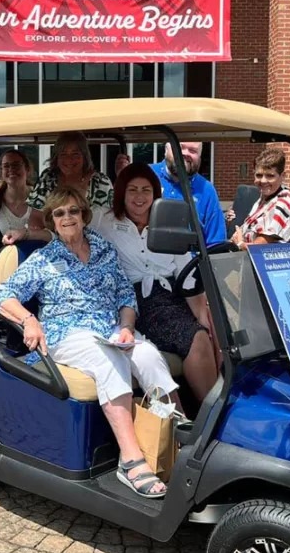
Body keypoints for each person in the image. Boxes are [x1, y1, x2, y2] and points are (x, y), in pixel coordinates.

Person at [0, 187, 179, 499]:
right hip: (67, 335)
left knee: (148, 356)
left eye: (73, 211)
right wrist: (29, 320)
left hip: (110, 330)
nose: (67, 217)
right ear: (52, 221)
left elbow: (125, 295)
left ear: (84, 215)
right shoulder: (45, 259)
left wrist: (127, 327)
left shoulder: (104, 250)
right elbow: (3, 295)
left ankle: (175, 438)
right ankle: (131, 459)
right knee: (109, 359)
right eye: (59, 213)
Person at [94, 164, 219, 401]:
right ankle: (212, 412)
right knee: (197, 337)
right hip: (137, 301)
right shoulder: (105, 222)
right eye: (132, 190)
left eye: (146, 190)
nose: (139, 197)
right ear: (122, 193)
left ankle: (228, 398)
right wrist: (28, 232)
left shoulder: (168, 221)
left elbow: (185, 272)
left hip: (173, 294)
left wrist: (202, 312)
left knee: (217, 325)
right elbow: (69, 229)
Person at [120, 143, 226, 248]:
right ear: (166, 150)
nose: (185, 153)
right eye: (179, 148)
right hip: (141, 257)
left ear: (200, 157)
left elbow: (216, 244)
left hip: (190, 260)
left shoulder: (206, 190)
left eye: (193, 151)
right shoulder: (143, 175)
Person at [27, 132, 113, 234]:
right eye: (63, 154)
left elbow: (109, 220)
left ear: (84, 156)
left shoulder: (101, 181)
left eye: (75, 154)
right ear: (56, 157)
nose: (69, 159)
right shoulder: (47, 177)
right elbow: (36, 217)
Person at [230, 148, 290, 246]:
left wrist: (240, 243)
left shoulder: (282, 205)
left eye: (270, 176)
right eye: (259, 175)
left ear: (283, 176)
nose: (263, 181)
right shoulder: (264, 199)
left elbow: (259, 249)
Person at [0, 149, 38, 241]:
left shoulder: (39, 196)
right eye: (6, 166)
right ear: (1, 172)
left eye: (16, 165)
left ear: (27, 169)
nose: (11, 169)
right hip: (4, 254)